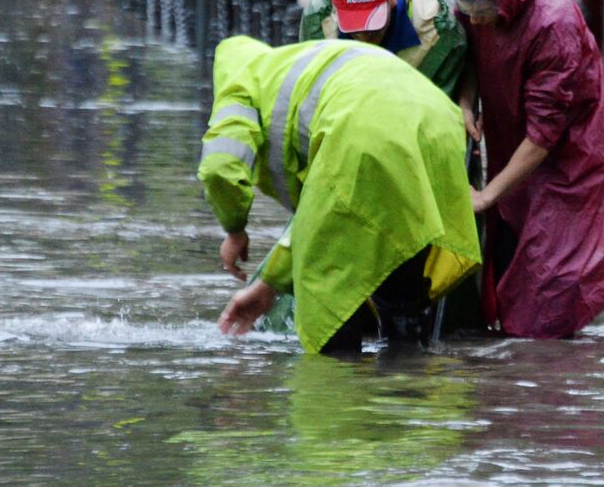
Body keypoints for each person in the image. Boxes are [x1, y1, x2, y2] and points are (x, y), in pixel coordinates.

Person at [200, 36, 481, 354]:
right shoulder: (302, 63)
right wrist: (270, 285)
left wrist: (234, 228)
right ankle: (410, 382)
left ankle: (338, 391)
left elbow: (219, 168)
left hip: (363, 132)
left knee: (328, 295)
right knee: (404, 263)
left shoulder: (239, 87)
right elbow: (314, 218)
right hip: (438, 124)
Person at [437, 0, 604, 339]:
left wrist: (486, 196)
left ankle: (546, 377)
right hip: (510, 145)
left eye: (478, 11)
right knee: (509, 258)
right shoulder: (478, 6)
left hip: (564, 163)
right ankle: (510, 372)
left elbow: (543, 137)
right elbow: (472, 53)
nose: (474, 20)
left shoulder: (554, 25)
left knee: (551, 280)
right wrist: (467, 102)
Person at [300, 0, 468, 100]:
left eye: (373, 30)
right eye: (356, 30)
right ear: (337, 11)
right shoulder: (320, 21)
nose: (365, 40)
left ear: (392, 1)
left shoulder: (439, 31)